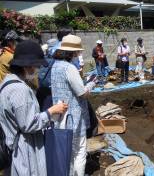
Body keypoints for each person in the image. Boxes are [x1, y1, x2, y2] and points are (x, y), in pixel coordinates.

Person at [0, 40, 68, 176]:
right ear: (27, 66)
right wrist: (51, 111)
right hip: (24, 150)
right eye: (37, 66)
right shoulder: (20, 90)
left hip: (13, 145)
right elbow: (28, 124)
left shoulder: (6, 83)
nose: (38, 70)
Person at [51, 34, 96, 176]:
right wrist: (91, 84)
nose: (78, 54)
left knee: (67, 152)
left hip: (60, 116)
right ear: (73, 52)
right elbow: (82, 93)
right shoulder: (69, 68)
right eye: (77, 52)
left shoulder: (55, 66)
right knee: (79, 152)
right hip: (74, 117)